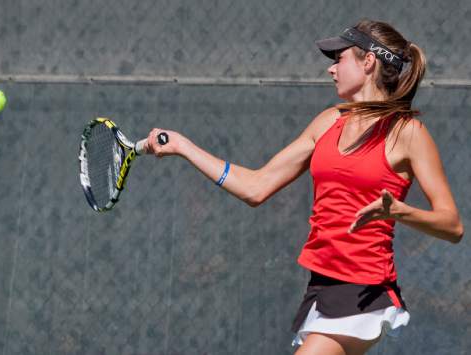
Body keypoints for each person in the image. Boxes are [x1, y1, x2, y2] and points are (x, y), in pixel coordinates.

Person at [144, 19, 464, 355]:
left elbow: (452, 225)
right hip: (320, 288)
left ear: (368, 61)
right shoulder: (328, 121)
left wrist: (400, 211)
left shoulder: (408, 133)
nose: (331, 69)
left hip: (365, 292)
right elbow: (256, 186)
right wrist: (183, 146)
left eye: (339, 59)